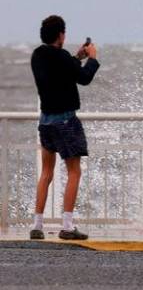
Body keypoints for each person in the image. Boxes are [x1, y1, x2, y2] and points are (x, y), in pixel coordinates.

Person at [29, 15, 99, 240]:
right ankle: (67, 226)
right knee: (74, 172)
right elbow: (84, 78)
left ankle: (37, 225)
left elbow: (62, 68)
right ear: (61, 34)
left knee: (46, 173)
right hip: (66, 121)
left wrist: (76, 57)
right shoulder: (61, 58)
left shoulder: (38, 55)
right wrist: (92, 59)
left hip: (45, 122)